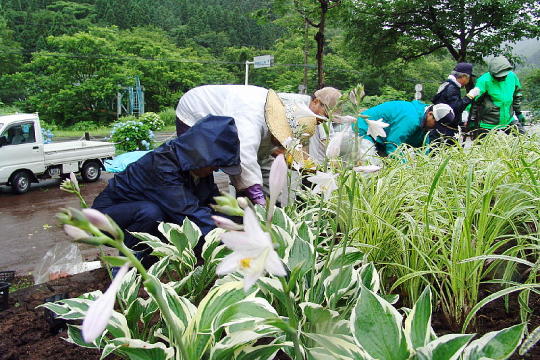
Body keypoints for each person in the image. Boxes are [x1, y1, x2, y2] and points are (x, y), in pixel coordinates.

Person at [92, 115, 242, 265]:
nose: (216, 168)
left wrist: (240, 224)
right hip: (107, 218)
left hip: (141, 213)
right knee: (152, 212)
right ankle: (131, 260)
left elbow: (213, 203)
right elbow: (187, 211)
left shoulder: (198, 165)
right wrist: (230, 239)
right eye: (215, 163)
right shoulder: (161, 166)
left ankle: (155, 253)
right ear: (202, 152)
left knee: (168, 213)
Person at [175, 85, 318, 206]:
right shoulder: (252, 121)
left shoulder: (275, 118)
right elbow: (245, 158)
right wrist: (257, 197)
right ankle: (196, 214)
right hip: (196, 113)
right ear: (278, 127)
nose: (282, 146)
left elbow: (262, 157)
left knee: (254, 184)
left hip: (232, 123)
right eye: (283, 141)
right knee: (201, 173)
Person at [354, 100, 455, 162]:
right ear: (430, 114)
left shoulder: (423, 124)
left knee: (382, 169)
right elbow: (393, 145)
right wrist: (405, 169)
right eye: (435, 124)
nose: (434, 128)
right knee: (368, 167)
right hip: (363, 130)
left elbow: (423, 149)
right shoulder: (411, 118)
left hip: (380, 139)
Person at [277, 87, 342, 164]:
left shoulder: (313, 116)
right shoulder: (293, 106)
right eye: (326, 116)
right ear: (315, 102)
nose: (325, 122)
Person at [469, 56, 526, 136]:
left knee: (524, 139)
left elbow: (516, 96)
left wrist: (518, 113)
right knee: (485, 146)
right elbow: (475, 102)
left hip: (508, 120)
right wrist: (471, 119)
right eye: (499, 76)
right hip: (488, 123)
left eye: (504, 76)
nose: (502, 78)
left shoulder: (512, 77)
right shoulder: (483, 81)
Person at [430, 62, 480, 145]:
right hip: (446, 131)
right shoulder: (452, 88)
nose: (468, 80)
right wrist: (469, 97)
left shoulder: (447, 85)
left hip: (440, 128)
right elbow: (455, 108)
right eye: (469, 78)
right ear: (463, 76)